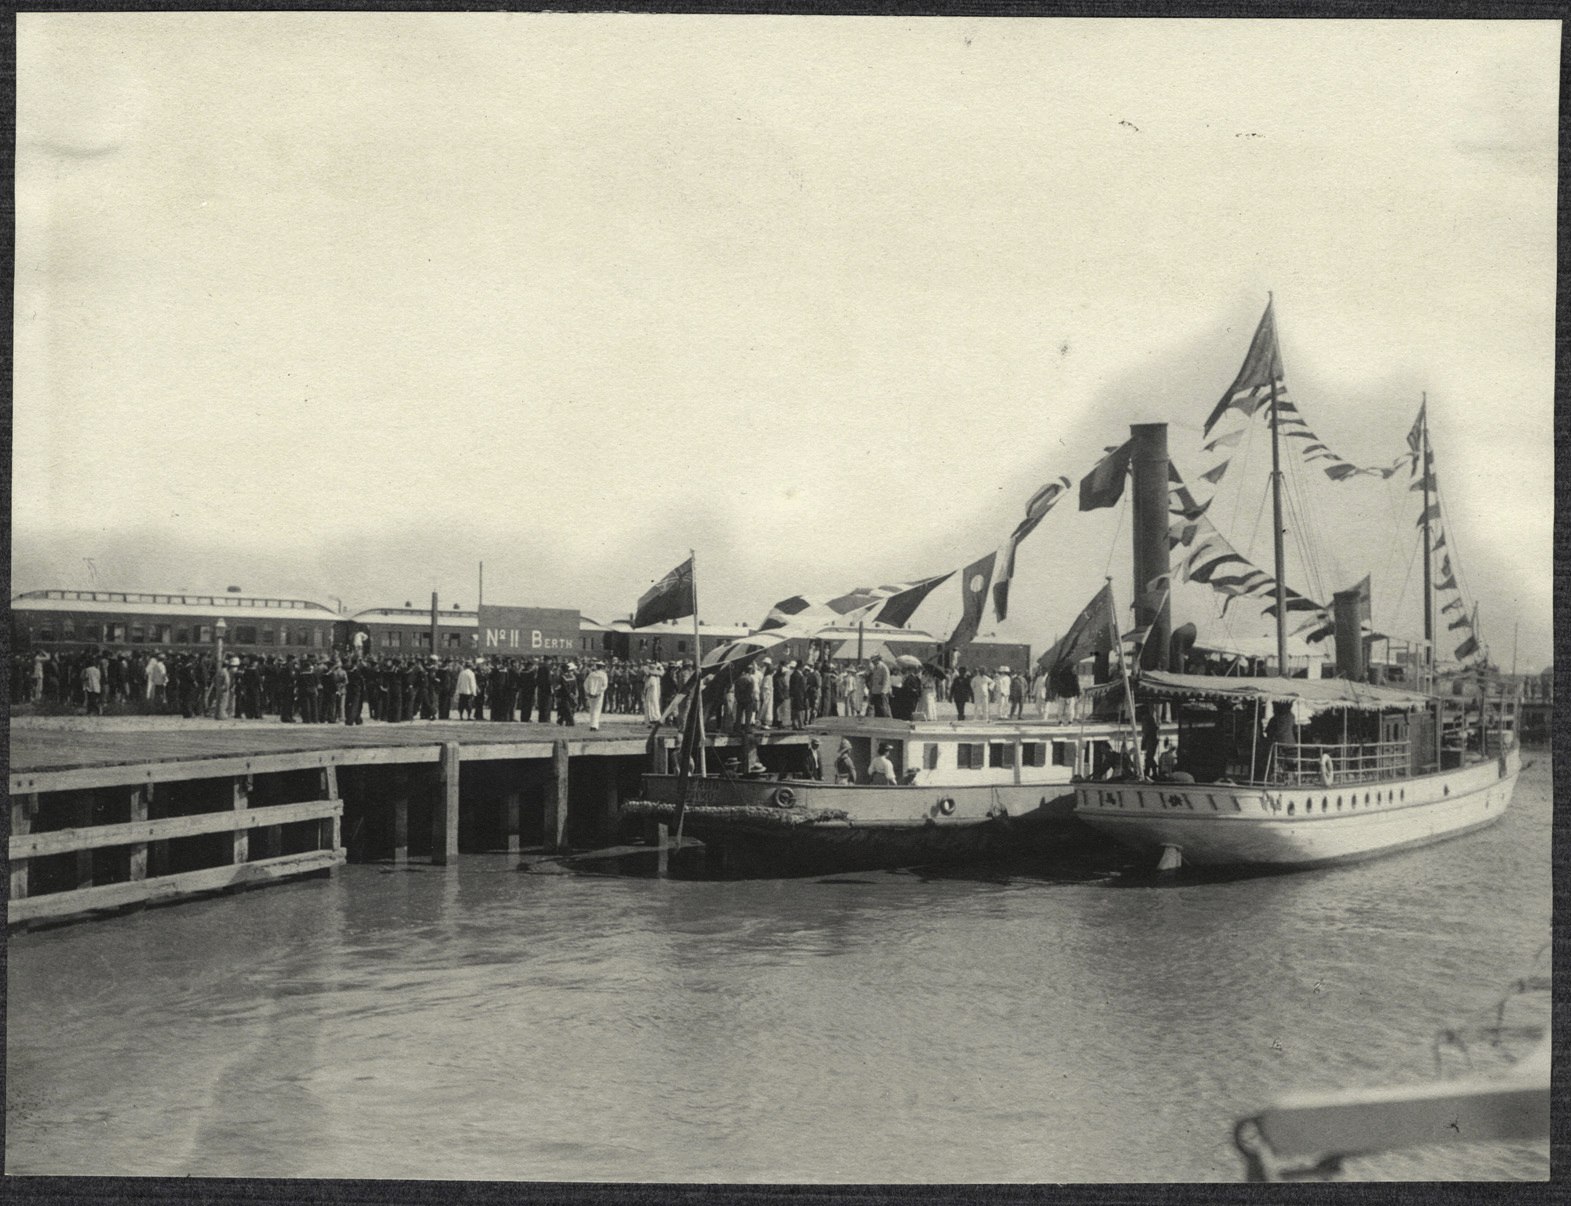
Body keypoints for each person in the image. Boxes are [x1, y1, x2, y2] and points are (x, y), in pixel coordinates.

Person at [584, 660, 608, 730]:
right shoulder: (603, 675)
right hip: (599, 694)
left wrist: (588, 691)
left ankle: (592, 725)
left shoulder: (591, 674)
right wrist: (599, 692)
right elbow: (605, 685)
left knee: (592, 709)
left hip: (591, 694)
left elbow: (585, 684)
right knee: (597, 710)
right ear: (602, 667)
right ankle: (595, 726)